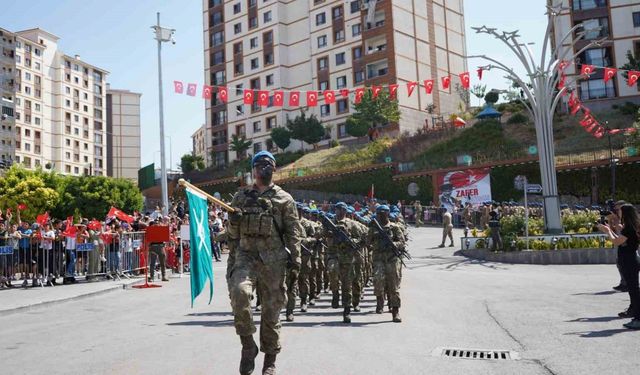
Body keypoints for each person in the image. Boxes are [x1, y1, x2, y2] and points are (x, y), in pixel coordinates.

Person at [227, 150, 302, 375]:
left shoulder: (284, 198)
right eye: (259, 165)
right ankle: (248, 345)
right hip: (246, 257)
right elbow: (232, 233)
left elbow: (293, 232)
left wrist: (296, 259)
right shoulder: (241, 197)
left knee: (271, 312)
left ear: (274, 169)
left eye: (268, 164)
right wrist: (233, 221)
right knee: (239, 294)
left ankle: (270, 361)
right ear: (253, 169)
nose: (264, 168)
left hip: (274, 261)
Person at [598, 204, 640, 330]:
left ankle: (638, 319)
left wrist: (608, 231)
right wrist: (610, 229)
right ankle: (636, 316)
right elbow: (621, 240)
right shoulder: (630, 226)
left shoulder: (630, 228)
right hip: (629, 260)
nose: (618, 213)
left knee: (634, 290)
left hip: (630, 260)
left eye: (620, 212)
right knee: (633, 290)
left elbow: (616, 242)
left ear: (626, 213)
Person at [367, 205, 406, 322]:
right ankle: (380, 299)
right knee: (378, 280)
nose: (380, 215)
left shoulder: (394, 227)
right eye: (379, 213)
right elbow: (368, 242)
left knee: (393, 286)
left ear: (387, 214)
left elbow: (402, 241)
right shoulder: (373, 228)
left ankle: (395, 311)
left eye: (383, 213)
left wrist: (395, 244)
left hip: (392, 259)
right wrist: (374, 235)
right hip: (378, 258)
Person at [607, 200, 628, 292]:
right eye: (615, 209)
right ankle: (623, 283)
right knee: (620, 264)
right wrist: (610, 221)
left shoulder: (627, 219)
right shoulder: (617, 218)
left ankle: (628, 284)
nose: (616, 210)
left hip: (627, 246)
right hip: (620, 245)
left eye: (618, 209)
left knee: (626, 265)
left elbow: (622, 230)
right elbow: (614, 231)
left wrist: (615, 220)